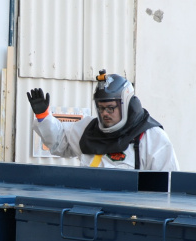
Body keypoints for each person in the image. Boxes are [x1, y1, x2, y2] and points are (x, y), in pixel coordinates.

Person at [27, 70, 178, 171]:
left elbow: (168, 187)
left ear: (126, 104)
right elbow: (60, 143)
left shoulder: (153, 138)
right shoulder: (87, 130)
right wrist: (43, 115)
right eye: (101, 108)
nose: (105, 113)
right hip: (90, 210)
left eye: (110, 108)